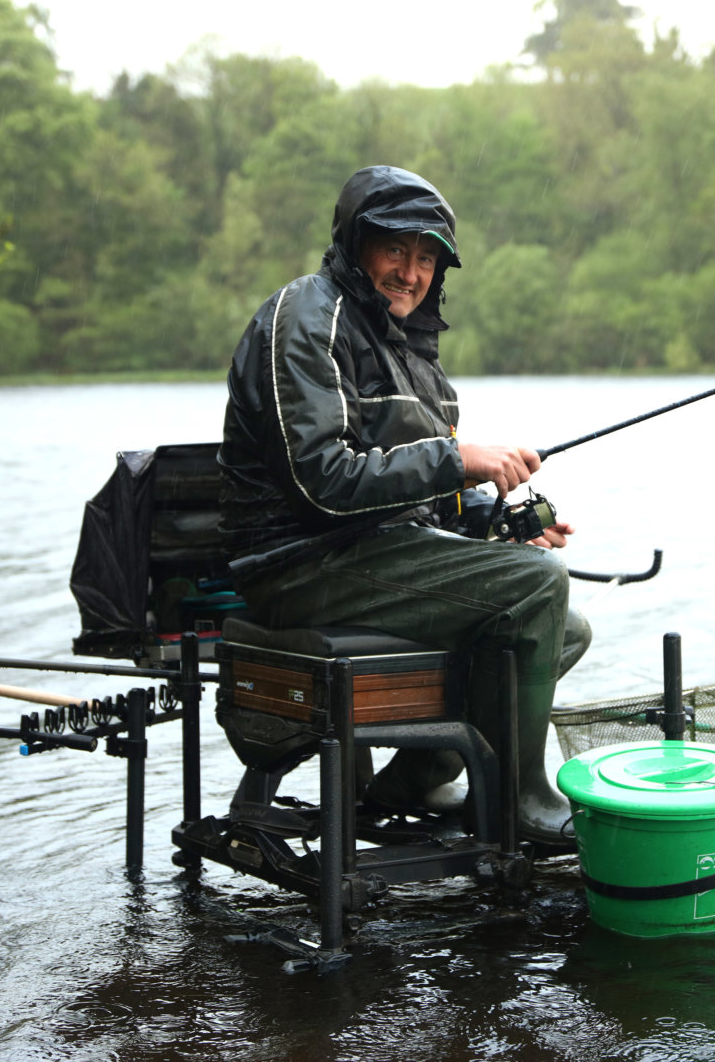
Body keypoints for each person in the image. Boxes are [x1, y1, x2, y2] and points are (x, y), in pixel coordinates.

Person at [215, 165, 585, 846]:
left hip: (370, 554)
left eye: (426, 259)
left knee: (564, 626)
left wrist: (493, 524)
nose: (410, 273)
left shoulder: (410, 350)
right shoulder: (308, 315)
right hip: (299, 563)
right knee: (539, 589)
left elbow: (425, 500)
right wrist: (460, 457)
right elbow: (324, 482)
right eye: (395, 250)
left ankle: (418, 774)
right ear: (356, 244)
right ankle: (520, 800)